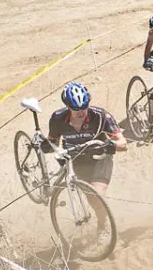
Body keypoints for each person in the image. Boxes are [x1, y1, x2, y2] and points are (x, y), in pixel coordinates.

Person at [44, 82, 128, 241]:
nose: (81, 112)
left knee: (98, 194)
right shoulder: (57, 118)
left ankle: (103, 226)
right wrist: (46, 145)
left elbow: (123, 144)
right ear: (67, 106)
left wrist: (110, 147)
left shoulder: (101, 116)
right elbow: (52, 141)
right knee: (91, 198)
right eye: (76, 109)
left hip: (100, 158)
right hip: (76, 161)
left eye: (84, 107)